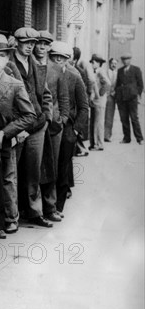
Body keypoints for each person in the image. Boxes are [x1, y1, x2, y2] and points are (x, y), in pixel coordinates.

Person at [0, 34, 36, 259]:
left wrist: (5, 131)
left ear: (7, 59)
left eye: (2, 56)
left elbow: (29, 115)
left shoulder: (13, 84)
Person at [12, 27, 54, 229]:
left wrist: (46, 116)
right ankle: (11, 215)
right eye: (25, 42)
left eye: (32, 43)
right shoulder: (9, 64)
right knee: (11, 172)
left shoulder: (35, 64)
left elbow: (45, 94)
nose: (30, 46)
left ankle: (35, 211)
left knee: (33, 171)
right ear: (16, 42)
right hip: (17, 125)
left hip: (36, 125)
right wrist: (16, 128)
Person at [49, 41, 89, 213]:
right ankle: (47, 205)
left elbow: (84, 106)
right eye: (55, 57)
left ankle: (59, 205)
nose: (58, 60)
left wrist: (75, 130)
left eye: (62, 58)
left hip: (67, 127)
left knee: (63, 166)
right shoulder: (46, 73)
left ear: (68, 60)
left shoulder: (74, 76)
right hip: (50, 124)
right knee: (48, 166)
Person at [35, 30, 69, 223]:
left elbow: (63, 97)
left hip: (54, 126)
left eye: (45, 44)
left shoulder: (56, 69)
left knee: (52, 166)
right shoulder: (29, 65)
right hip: (35, 123)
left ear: (49, 47)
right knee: (34, 168)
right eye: (39, 43)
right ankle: (32, 209)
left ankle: (50, 206)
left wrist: (62, 119)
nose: (41, 47)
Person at [115, 52, 143, 145]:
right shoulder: (120, 71)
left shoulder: (136, 70)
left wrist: (137, 94)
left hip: (132, 98)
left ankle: (140, 138)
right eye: (124, 60)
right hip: (122, 99)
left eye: (127, 59)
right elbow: (117, 84)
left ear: (130, 60)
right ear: (122, 61)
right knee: (124, 119)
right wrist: (118, 96)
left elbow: (140, 84)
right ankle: (126, 138)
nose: (125, 61)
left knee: (134, 118)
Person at [88, 53, 110, 151]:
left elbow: (107, 83)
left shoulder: (101, 72)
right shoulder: (95, 71)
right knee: (94, 122)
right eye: (92, 62)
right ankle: (94, 143)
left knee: (98, 123)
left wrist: (100, 94)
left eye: (94, 62)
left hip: (99, 101)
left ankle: (98, 144)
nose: (92, 64)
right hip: (95, 101)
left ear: (98, 63)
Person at [104, 58, 118, 142]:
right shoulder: (105, 72)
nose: (114, 65)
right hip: (104, 96)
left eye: (115, 63)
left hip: (112, 97)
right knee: (102, 116)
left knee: (109, 117)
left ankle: (107, 136)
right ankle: (100, 135)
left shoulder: (117, 74)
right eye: (112, 63)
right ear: (109, 64)